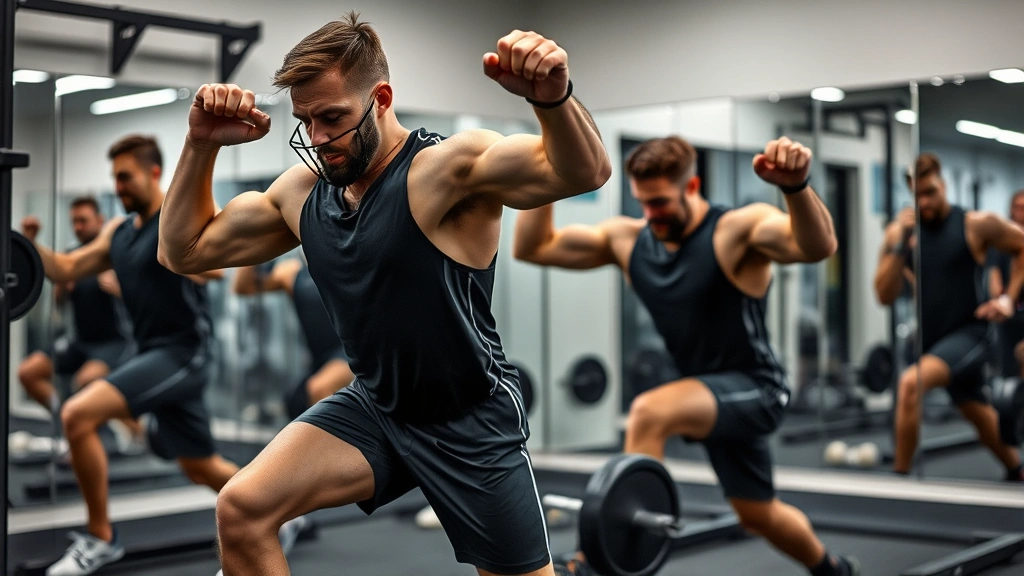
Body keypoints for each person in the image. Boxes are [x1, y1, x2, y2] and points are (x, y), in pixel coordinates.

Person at [158, 12, 609, 576]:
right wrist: (200, 144)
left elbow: (584, 172)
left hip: (470, 420)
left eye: (332, 118)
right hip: (377, 407)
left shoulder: (446, 169)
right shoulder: (302, 193)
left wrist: (553, 98)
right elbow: (183, 251)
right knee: (242, 508)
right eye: (306, 121)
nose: (317, 139)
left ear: (381, 99)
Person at [515, 135, 860, 576]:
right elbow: (534, 247)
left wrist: (796, 187)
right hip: (705, 394)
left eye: (659, 202)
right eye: (643, 202)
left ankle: (600, 565)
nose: (650, 214)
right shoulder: (630, 240)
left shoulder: (735, 231)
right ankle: (834, 570)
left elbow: (818, 247)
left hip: (757, 388)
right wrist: (553, 177)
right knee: (757, 513)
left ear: (692, 186)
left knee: (648, 413)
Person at [25, 135, 304, 576]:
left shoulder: (174, 223)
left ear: (154, 172)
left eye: (125, 177)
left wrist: (189, 262)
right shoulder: (118, 233)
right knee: (199, 467)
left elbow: (215, 267)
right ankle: (278, 515)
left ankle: (102, 540)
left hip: (184, 354)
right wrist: (24, 243)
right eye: (115, 178)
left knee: (79, 413)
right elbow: (65, 268)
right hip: (153, 355)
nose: (118, 187)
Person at [873, 153, 1024, 482]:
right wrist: (900, 244)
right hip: (932, 337)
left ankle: (899, 483)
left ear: (943, 185)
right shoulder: (900, 234)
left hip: (972, 333)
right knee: (975, 410)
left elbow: (1021, 245)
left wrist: (1007, 299)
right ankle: (1017, 469)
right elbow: (883, 295)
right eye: (918, 195)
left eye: (930, 192)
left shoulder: (975, 224)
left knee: (910, 384)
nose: (924, 202)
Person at [18, 198, 140, 453]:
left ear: (100, 221)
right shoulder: (71, 258)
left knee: (85, 381)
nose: (78, 227)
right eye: (74, 221)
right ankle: (66, 418)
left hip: (113, 343)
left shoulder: (114, 256)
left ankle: (138, 433)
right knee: (28, 372)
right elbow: (59, 304)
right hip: (81, 342)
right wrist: (62, 287)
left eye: (83, 221)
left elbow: (144, 303)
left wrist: (119, 289)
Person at [231, 255, 354, 419]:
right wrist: (255, 246)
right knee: (295, 402)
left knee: (318, 388)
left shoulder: (350, 265)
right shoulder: (291, 272)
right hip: (319, 360)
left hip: (351, 354)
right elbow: (243, 287)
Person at [985, 190, 1024, 379]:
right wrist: (1002, 301)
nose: (1022, 212)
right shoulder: (1000, 243)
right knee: (1009, 367)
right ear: (1011, 210)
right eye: (1018, 207)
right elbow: (994, 274)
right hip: (1009, 316)